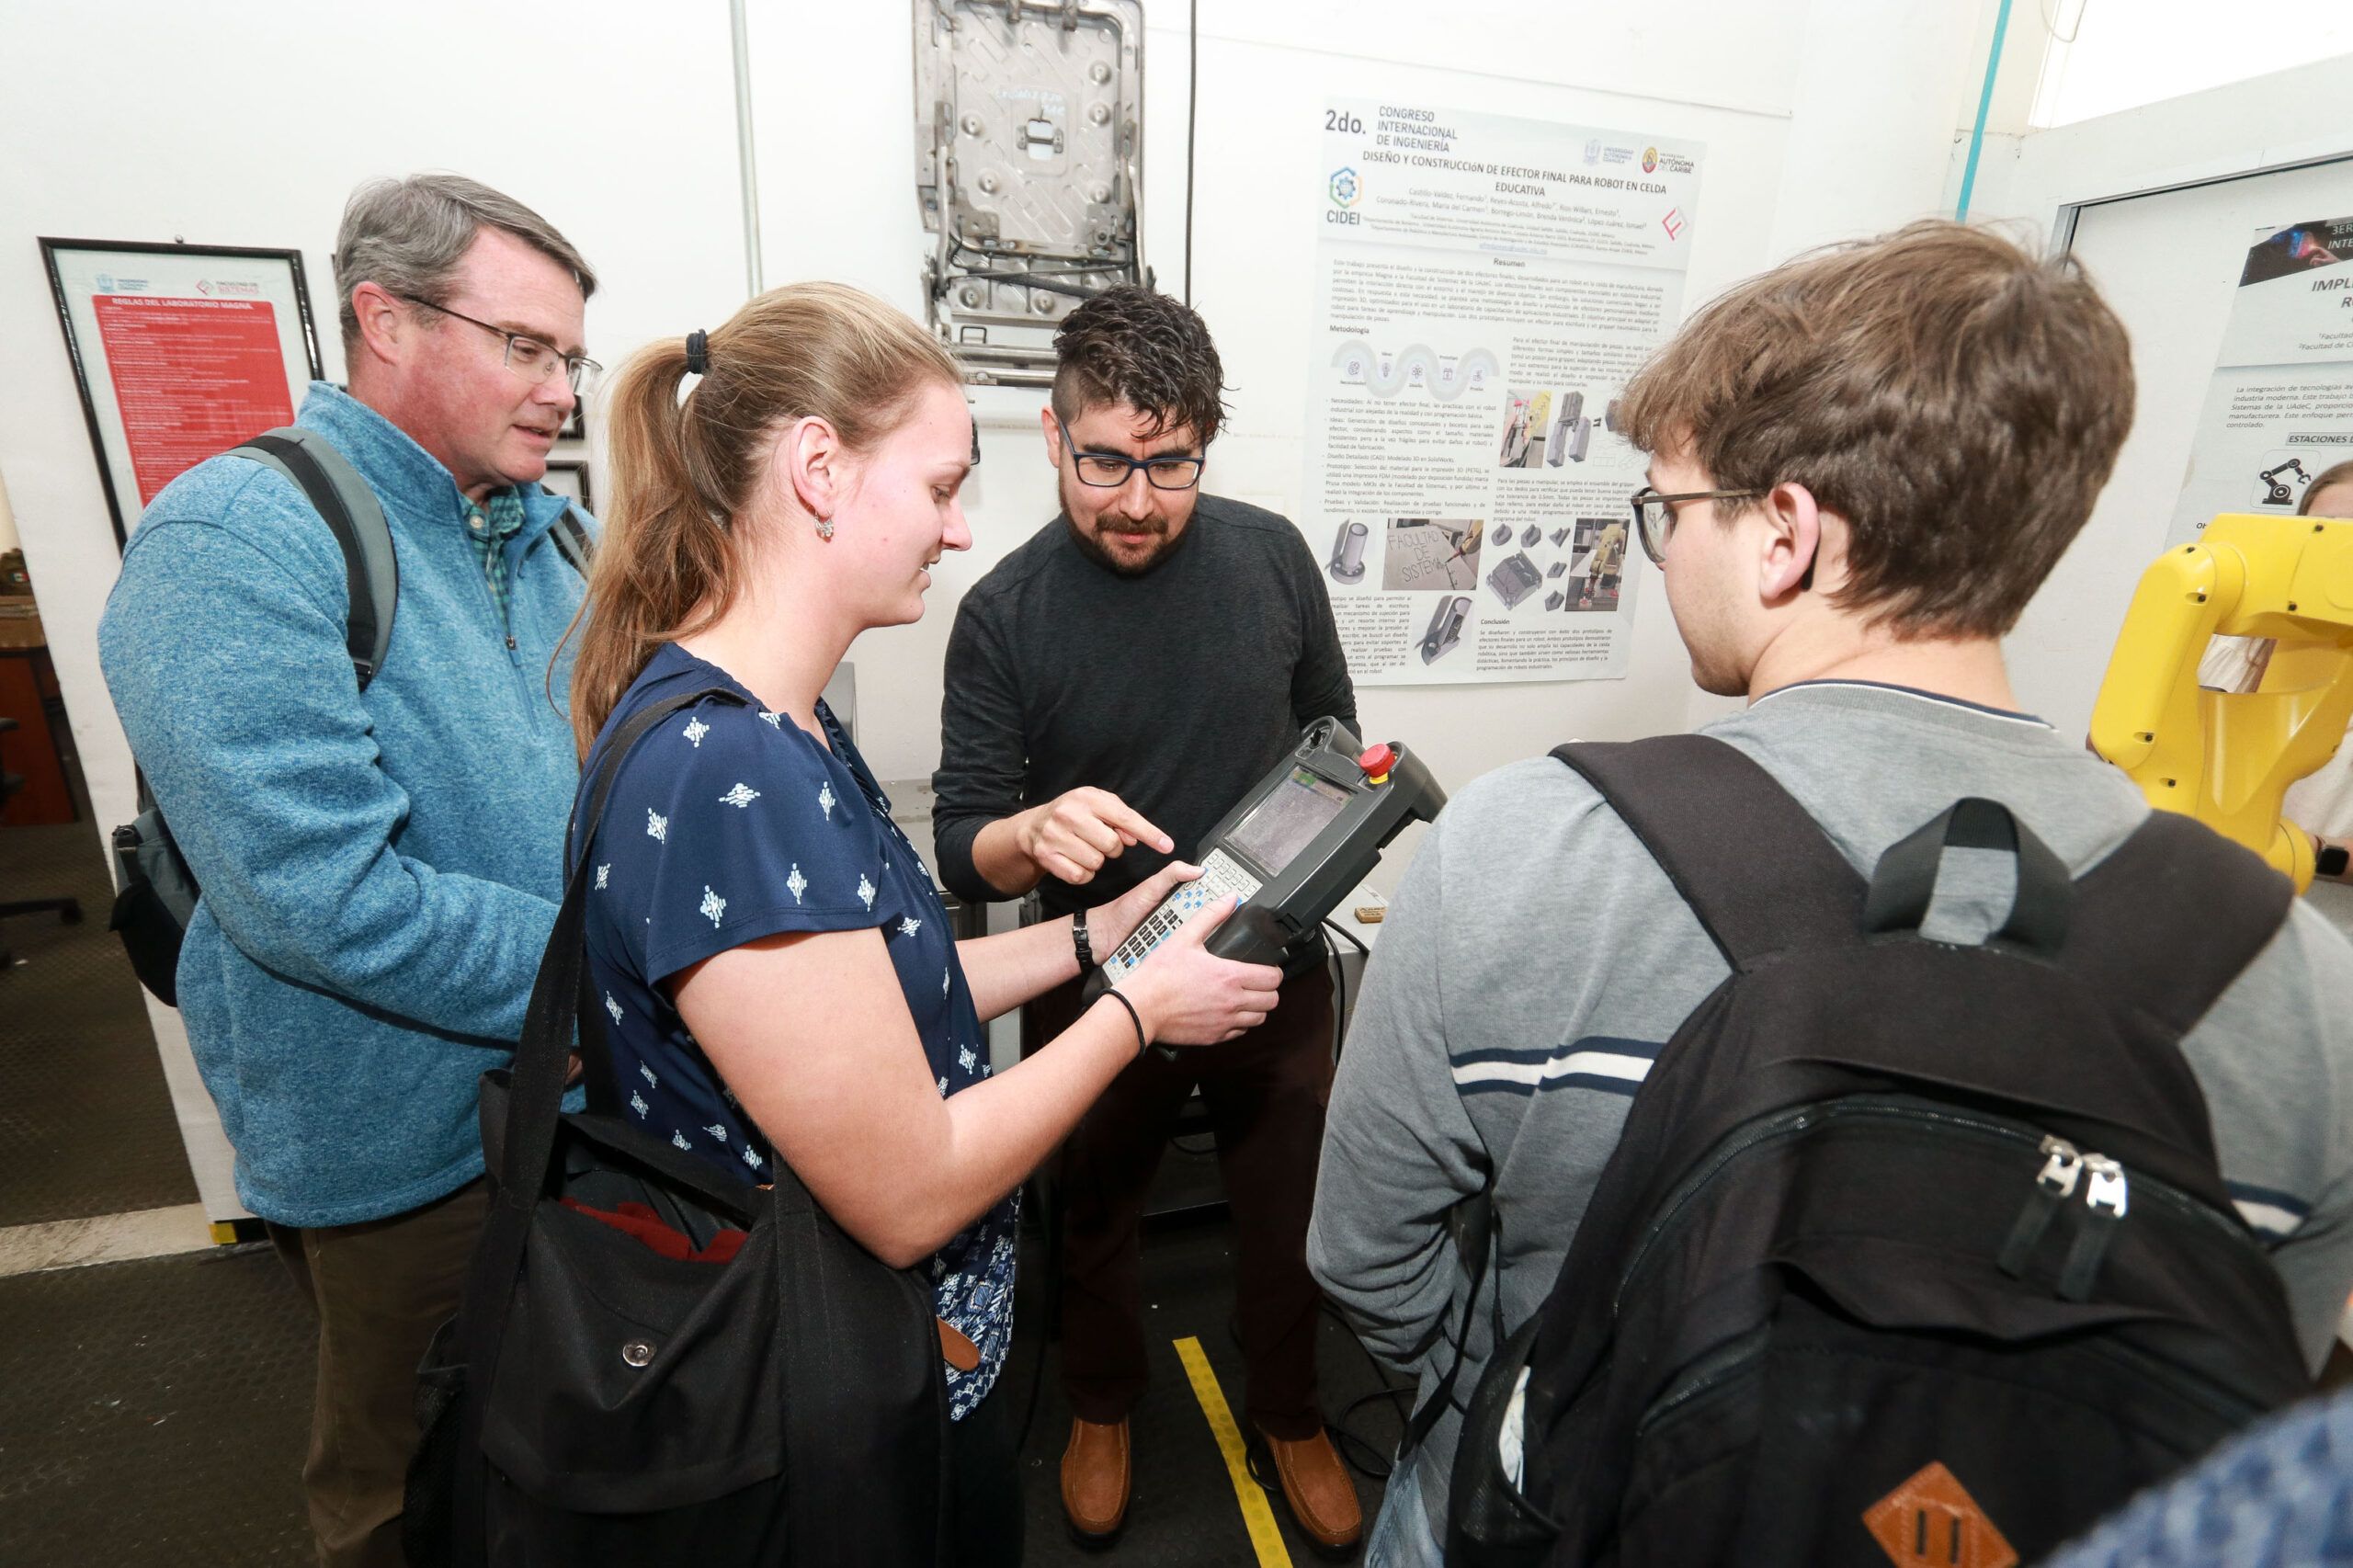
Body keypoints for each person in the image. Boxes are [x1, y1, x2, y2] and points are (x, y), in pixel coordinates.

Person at [1306, 222, 2353, 1567]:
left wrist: (1525, 1408)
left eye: (1667, 508)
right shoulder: (2303, 988)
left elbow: (1368, 1260)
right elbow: (2254, 1396)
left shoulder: (1516, 849)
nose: (1657, 551)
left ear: (1784, 535)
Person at [567, 282, 1279, 1565]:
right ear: (820, 469)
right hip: (815, 1403)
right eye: (943, 485)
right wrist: (1136, 1008)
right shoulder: (732, 777)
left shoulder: (782, 722)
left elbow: (874, 987)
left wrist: (1089, 932)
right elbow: (907, 1192)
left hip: (884, 1371)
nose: (957, 531)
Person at [98, 173, 599, 1568]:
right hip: (402, 1142)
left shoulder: (550, 534)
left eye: (571, 354)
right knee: (406, 1474)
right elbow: (326, 901)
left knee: (560, 1427)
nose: (561, 388)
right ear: (384, 316)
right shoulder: (233, 542)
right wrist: (611, 969)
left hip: (567, 1093)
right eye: (526, 346)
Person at [930, 285, 1365, 1551]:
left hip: (1269, 959)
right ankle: (1101, 1402)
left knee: (1288, 1206)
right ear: (1057, 438)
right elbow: (965, 835)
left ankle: (1290, 1409)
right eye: (1106, 459)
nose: (1135, 496)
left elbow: (1334, 734)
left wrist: (1318, 863)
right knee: (1097, 1203)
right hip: (1099, 964)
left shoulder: (1272, 554)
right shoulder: (1005, 614)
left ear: (1203, 447)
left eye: (1168, 463)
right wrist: (1029, 833)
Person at [2198, 460, 2353, 925]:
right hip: (2199, 921)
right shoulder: (2228, 644)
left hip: (2322, 948)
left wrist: (2307, 853)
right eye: (2322, 532)